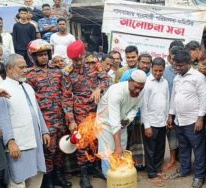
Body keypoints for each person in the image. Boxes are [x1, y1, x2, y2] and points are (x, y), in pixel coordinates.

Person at [0, 54, 50, 188]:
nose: (25, 70)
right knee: (17, 181)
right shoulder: (1, 88)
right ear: (9, 69)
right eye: (21, 67)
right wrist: (10, 142)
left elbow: (37, 111)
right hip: (19, 144)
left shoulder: (28, 87)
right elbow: (3, 118)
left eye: (26, 66)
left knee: (37, 177)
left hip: (36, 142)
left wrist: (44, 130)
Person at [64, 40, 110, 188]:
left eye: (80, 58)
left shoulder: (94, 66)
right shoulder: (67, 73)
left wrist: (99, 89)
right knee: (82, 143)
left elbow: (106, 79)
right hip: (80, 113)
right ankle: (84, 175)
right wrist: (71, 120)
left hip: (97, 111)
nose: (77, 62)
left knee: (97, 140)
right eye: (74, 59)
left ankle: (96, 168)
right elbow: (65, 98)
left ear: (84, 55)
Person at [26, 39, 72, 188]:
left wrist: (68, 117)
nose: (44, 57)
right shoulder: (30, 75)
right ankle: (48, 180)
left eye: (45, 54)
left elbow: (65, 94)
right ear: (34, 57)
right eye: (40, 55)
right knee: (48, 151)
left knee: (60, 149)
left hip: (60, 118)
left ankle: (59, 176)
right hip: (45, 121)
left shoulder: (57, 72)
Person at [167, 47, 206, 188]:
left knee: (198, 149)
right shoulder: (177, 78)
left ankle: (199, 176)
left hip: (193, 121)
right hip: (179, 120)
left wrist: (200, 118)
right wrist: (171, 115)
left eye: (180, 65)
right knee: (183, 147)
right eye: (175, 65)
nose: (177, 68)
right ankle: (184, 170)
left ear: (188, 62)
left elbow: (204, 98)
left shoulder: (198, 77)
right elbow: (173, 97)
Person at [97, 69, 147, 176]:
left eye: (141, 88)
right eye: (136, 87)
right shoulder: (116, 91)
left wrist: (127, 120)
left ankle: (120, 177)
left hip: (122, 123)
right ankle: (109, 178)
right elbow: (114, 120)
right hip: (105, 123)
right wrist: (117, 146)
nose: (138, 91)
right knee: (108, 151)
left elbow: (136, 107)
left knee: (122, 150)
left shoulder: (142, 91)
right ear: (129, 81)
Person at [141, 57, 169, 187]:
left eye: (161, 70)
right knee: (150, 150)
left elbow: (167, 101)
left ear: (164, 69)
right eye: (155, 70)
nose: (158, 73)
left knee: (160, 148)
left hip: (162, 122)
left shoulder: (165, 82)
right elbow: (144, 106)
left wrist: (168, 118)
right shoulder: (146, 83)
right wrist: (147, 126)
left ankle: (157, 170)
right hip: (150, 123)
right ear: (151, 68)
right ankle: (151, 174)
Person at [162, 41, 183, 172]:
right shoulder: (164, 71)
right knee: (171, 134)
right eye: (172, 54)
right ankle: (172, 159)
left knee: (183, 136)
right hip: (168, 109)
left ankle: (182, 159)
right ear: (169, 56)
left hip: (183, 109)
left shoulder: (185, 69)